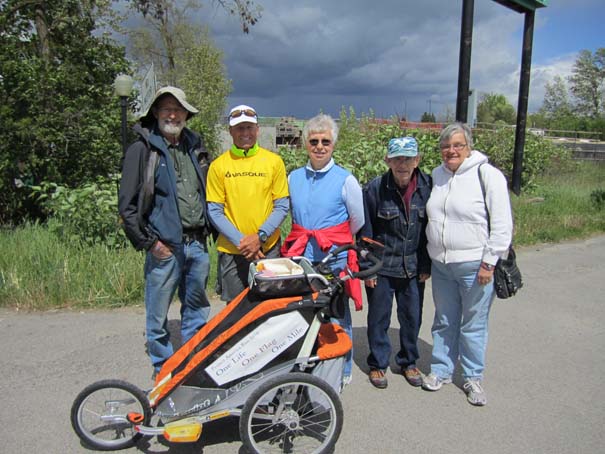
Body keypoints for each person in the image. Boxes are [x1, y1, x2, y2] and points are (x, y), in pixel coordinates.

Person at [118, 86, 213, 379]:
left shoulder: (194, 147)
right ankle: (164, 371)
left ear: (186, 114)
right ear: (156, 113)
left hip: (197, 244)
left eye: (178, 109)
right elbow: (127, 207)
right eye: (167, 109)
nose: (173, 115)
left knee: (196, 311)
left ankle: (193, 366)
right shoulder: (142, 150)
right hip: (165, 248)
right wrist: (149, 243)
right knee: (157, 316)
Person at [422, 122, 513, 406]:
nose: (451, 151)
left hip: (475, 264)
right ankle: (441, 370)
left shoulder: (487, 175)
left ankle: (473, 377)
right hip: (441, 264)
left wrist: (489, 262)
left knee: (473, 324)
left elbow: (502, 224)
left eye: (457, 145)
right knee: (444, 320)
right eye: (445, 146)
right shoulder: (436, 175)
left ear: (468, 147)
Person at [281, 113, 364, 386]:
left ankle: (342, 368)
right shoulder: (293, 178)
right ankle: (310, 364)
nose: (319, 146)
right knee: (304, 312)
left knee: (337, 313)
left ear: (333, 144)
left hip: (334, 257)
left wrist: (332, 238)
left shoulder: (346, 180)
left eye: (325, 141)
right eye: (314, 141)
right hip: (302, 255)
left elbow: (357, 220)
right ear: (306, 143)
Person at [360, 137, 432, 389]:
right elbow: (365, 233)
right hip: (382, 266)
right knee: (378, 318)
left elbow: (429, 231)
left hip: (413, 266)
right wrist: (368, 269)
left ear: (417, 160)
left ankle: (408, 361)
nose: (403, 164)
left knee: (412, 317)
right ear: (387, 160)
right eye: (397, 159)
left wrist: (425, 265)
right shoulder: (374, 189)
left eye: (408, 159)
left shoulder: (427, 187)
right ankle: (378, 363)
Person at [206, 105, 289, 302]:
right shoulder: (218, 166)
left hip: (267, 248)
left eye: (249, 127)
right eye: (240, 128)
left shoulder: (274, 162)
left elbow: (282, 206)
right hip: (232, 250)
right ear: (230, 131)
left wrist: (260, 237)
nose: (245, 133)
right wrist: (243, 242)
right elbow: (215, 211)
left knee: (269, 307)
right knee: (235, 309)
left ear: (257, 129)